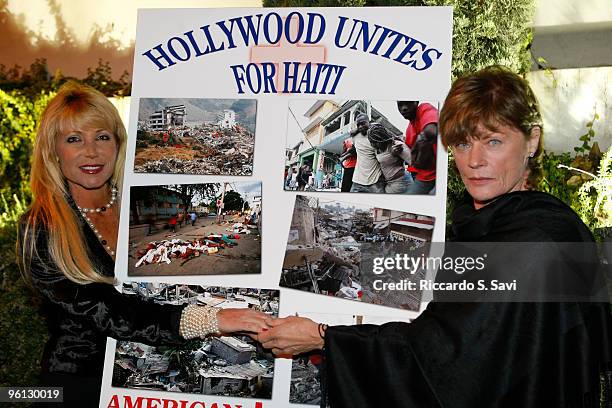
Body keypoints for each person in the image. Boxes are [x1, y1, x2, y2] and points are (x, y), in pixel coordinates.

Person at [258, 67, 611, 407]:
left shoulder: (533, 242)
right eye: (461, 143)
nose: (474, 161)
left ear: (531, 141)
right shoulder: (500, 225)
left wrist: (322, 336)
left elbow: (446, 368)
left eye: (493, 141)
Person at [17, 82, 269, 406]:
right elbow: (109, 311)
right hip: (78, 387)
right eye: (74, 139)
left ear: (119, 144)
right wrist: (210, 319)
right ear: (53, 150)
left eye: (102, 137)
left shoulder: (136, 202)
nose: (91, 151)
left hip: (151, 391)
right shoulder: (41, 228)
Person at [397, 100, 438, 194]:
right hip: (423, 176)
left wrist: (420, 141)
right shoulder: (408, 131)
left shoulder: (424, 108)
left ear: (416, 102)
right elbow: (413, 160)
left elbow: (431, 131)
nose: (404, 108)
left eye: (408, 103)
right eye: (400, 105)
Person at [341, 113, 385, 193]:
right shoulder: (355, 137)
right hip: (357, 181)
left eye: (363, 123)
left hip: (375, 181)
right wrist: (343, 157)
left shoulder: (375, 135)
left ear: (369, 122)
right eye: (358, 125)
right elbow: (354, 149)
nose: (360, 126)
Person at [366, 123, 413, 194]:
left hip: (401, 182)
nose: (373, 145)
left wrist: (397, 155)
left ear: (382, 138)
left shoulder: (395, 145)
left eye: (375, 142)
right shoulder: (376, 148)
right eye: (371, 142)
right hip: (389, 183)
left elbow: (413, 162)